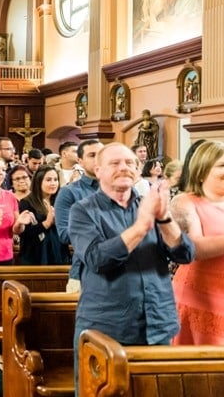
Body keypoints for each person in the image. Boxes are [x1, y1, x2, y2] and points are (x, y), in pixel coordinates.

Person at [68, 143, 193, 362]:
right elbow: (97, 259)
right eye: (115, 163)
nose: (124, 167)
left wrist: (164, 218)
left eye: (130, 163)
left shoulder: (150, 206)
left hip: (158, 323)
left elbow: (185, 254)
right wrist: (140, 227)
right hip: (108, 327)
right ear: (98, 171)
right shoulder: (83, 210)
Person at [170, 140, 224, 344]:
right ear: (201, 172)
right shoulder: (185, 202)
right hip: (201, 296)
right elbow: (194, 248)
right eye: (222, 165)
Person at [54, 139, 103, 293]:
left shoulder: (123, 190)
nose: (99, 159)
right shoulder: (70, 192)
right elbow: (65, 234)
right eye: (92, 155)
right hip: (84, 270)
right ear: (80, 161)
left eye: (102, 154)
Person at [17, 166, 69, 265]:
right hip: (35, 255)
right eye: (48, 180)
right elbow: (24, 233)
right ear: (38, 181)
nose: (53, 183)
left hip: (59, 252)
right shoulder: (27, 202)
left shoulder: (60, 201)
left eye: (55, 180)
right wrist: (46, 223)